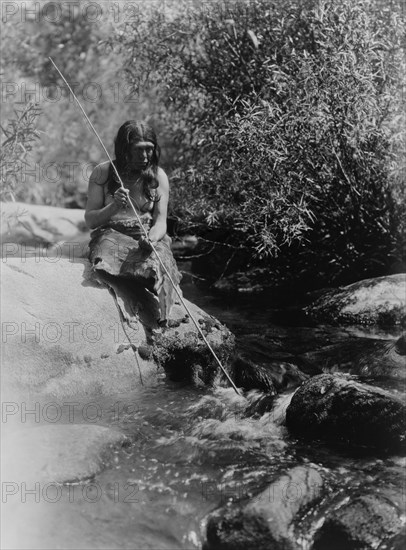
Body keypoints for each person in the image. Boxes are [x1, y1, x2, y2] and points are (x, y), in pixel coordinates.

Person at [85, 120, 182, 323]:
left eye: (149, 150)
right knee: (104, 253)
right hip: (112, 235)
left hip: (147, 236)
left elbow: (161, 222)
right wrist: (113, 207)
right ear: (124, 149)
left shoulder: (158, 177)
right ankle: (131, 276)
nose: (145, 156)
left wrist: (153, 239)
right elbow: (90, 221)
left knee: (160, 260)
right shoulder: (102, 173)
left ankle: (164, 315)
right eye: (139, 150)